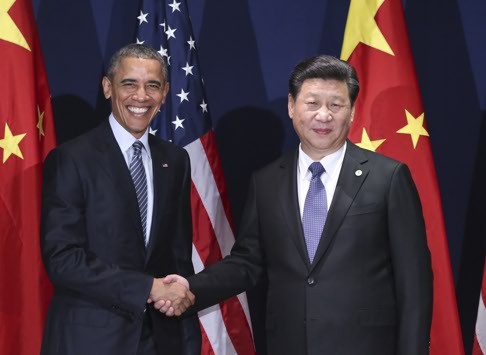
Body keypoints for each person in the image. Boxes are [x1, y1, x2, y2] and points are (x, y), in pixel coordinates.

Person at [157, 55, 433, 355]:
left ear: (352, 111)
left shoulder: (388, 177)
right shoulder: (266, 181)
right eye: (312, 103)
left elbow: (414, 282)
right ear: (292, 106)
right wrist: (190, 288)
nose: (323, 115)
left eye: (336, 105)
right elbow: (247, 263)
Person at [40, 44, 200, 355]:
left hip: (161, 340)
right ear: (107, 87)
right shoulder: (71, 159)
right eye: (129, 83)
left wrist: (186, 333)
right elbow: (62, 259)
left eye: (152, 85)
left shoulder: (175, 160)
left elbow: (179, 257)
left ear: (165, 93)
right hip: (90, 341)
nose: (141, 96)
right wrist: (147, 288)